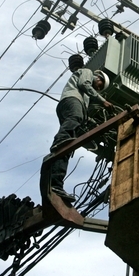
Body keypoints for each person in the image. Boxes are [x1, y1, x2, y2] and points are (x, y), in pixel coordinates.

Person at [48, 68, 113, 203]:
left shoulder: (85, 98)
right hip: (71, 100)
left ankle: (56, 184)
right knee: (73, 121)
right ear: (98, 77)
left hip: (72, 107)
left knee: (66, 148)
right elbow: (84, 84)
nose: (98, 88)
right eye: (99, 85)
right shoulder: (87, 72)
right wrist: (102, 101)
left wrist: (94, 123)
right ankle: (59, 140)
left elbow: (84, 115)